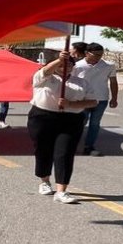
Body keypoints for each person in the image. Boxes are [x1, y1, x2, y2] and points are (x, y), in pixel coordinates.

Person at [27, 50, 97, 204]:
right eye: (62, 64)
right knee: (43, 150)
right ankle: (44, 180)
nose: (66, 67)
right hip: (42, 117)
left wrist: (71, 104)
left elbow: (92, 101)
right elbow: (44, 71)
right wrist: (59, 60)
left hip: (71, 120)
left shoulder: (81, 83)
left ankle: (61, 191)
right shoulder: (43, 78)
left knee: (64, 153)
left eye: (70, 64)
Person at [73, 43, 119, 156]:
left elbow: (113, 82)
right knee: (79, 123)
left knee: (95, 124)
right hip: (82, 99)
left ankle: (89, 146)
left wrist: (114, 98)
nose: (99, 57)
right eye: (96, 54)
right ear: (87, 53)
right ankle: (72, 145)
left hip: (101, 99)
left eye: (101, 54)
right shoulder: (77, 66)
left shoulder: (109, 65)